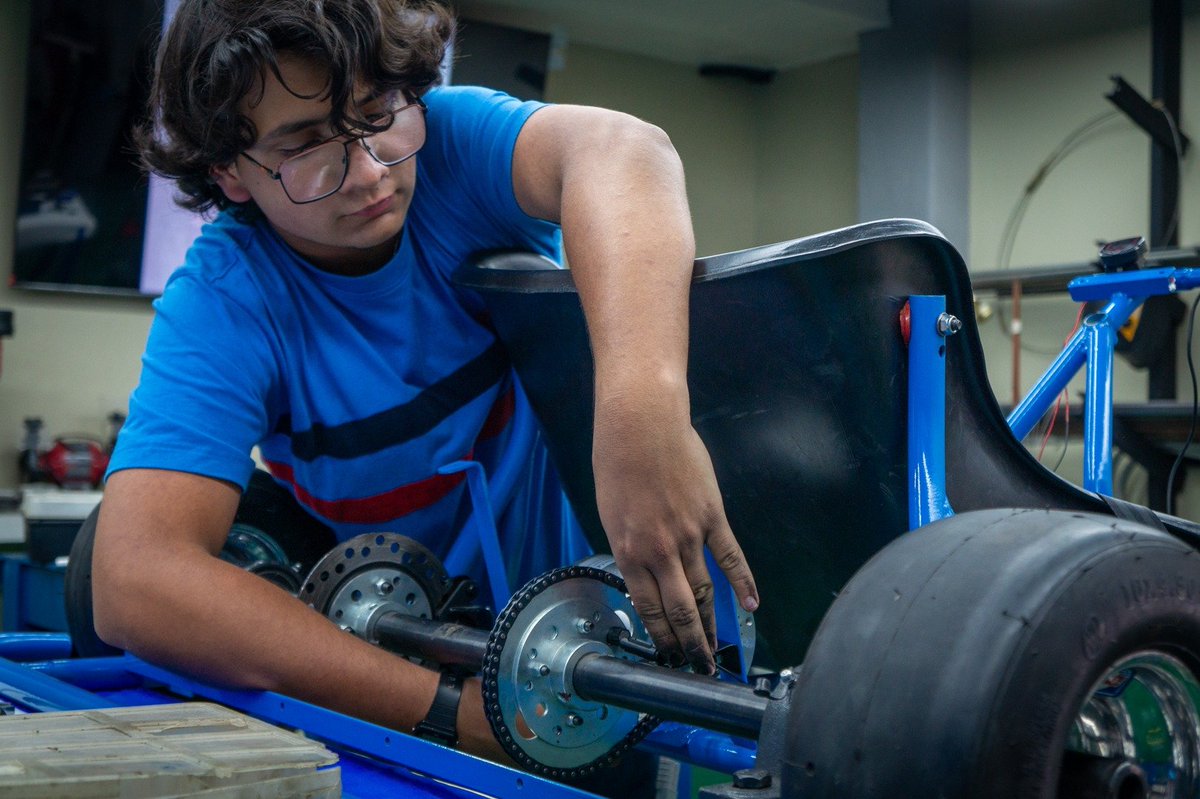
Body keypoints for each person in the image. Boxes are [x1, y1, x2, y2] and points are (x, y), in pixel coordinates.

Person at [91, 0, 758, 769]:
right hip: (423, 682)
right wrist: (446, 709)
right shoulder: (229, 296)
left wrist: (640, 421)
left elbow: (626, 150)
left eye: (378, 113)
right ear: (229, 172)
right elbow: (135, 579)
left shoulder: (449, 150)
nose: (369, 172)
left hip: (631, 642)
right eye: (305, 146)